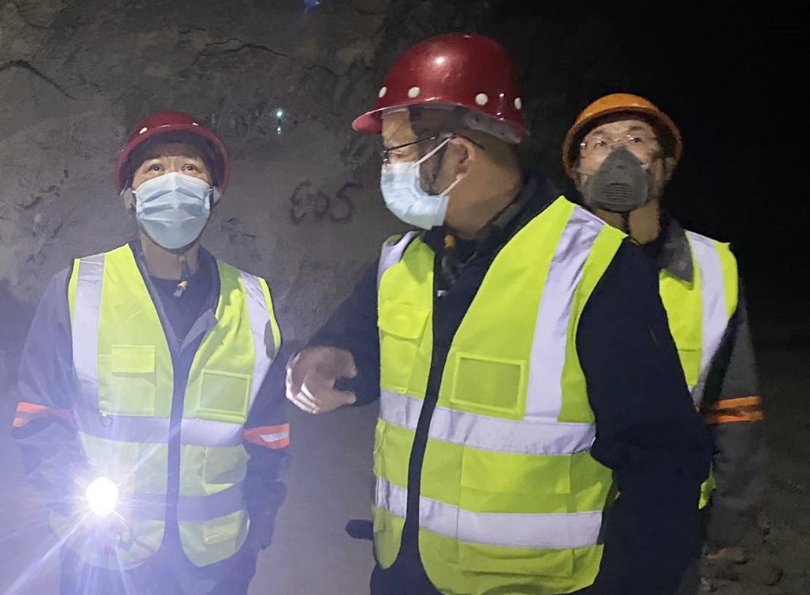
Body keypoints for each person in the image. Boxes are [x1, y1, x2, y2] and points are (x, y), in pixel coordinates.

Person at [285, 34, 711, 595]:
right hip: (404, 574)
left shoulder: (596, 268)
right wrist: (334, 354)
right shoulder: (404, 258)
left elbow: (663, 460)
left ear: (459, 155)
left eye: (398, 152)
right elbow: (367, 342)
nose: (388, 169)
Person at [11, 111, 289, 595]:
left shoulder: (252, 303)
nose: (174, 180)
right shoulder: (78, 290)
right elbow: (38, 418)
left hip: (215, 565)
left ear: (212, 195)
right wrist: (75, 504)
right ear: (130, 195)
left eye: (191, 168)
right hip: (104, 561)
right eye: (155, 168)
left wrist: (254, 536)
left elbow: (269, 437)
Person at [563, 93, 765, 593]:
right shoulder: (539, 261)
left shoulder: (712, 267)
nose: (618, 155)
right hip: (555, 510)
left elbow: (733, 402)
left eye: (636, 139)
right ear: (576, 172)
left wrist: (731, 512)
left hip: (667, 515)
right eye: (599, 143)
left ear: (665, 165)